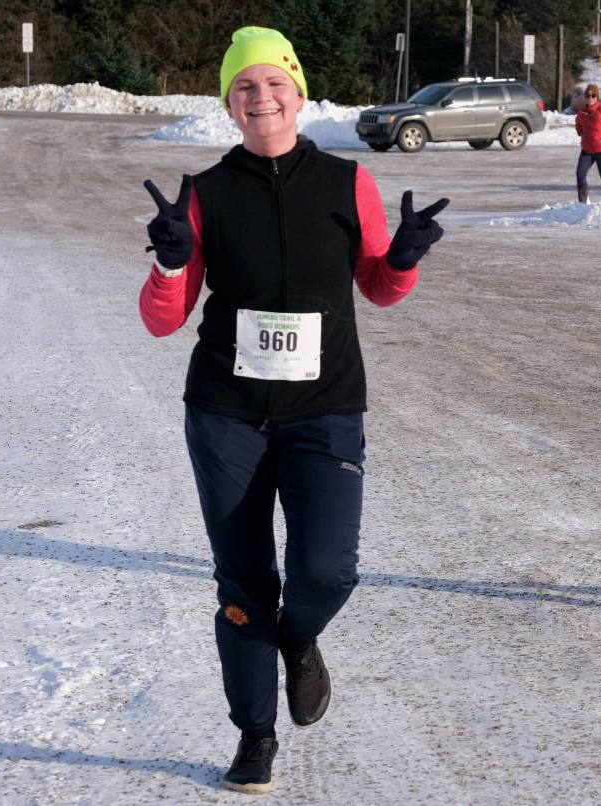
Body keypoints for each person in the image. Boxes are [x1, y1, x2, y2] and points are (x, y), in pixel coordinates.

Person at [138, 26, 448, 793]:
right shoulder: (205, 193)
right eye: (244, 86)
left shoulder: (348, 184)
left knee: (327, 569)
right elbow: (163, 319)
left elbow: (378, 284)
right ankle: (254, 734)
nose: (261, 96)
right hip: (225, 413)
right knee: (243, 583)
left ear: (299, 92)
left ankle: (299, 638)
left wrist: (402, 258)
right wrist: (172, 261)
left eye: (274, 81)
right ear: (229, 104)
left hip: (325, 408)